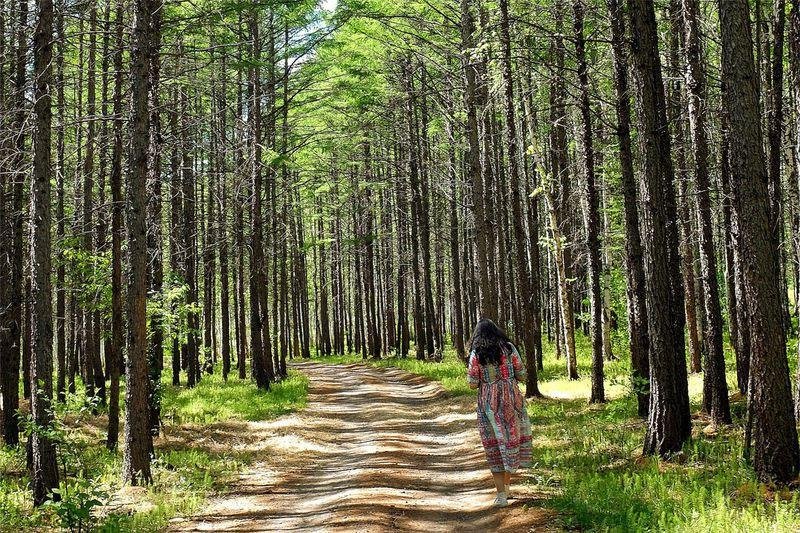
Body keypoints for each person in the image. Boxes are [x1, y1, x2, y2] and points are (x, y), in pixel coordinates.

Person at [467, 318, 533, 508]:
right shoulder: (510, 348)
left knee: (494, 445)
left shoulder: (477, 353)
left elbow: (472, 383)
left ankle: (501, 495)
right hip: (512, 400)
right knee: (509, 441)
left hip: (489, 403)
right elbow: (521, 373)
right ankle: (507, 487)